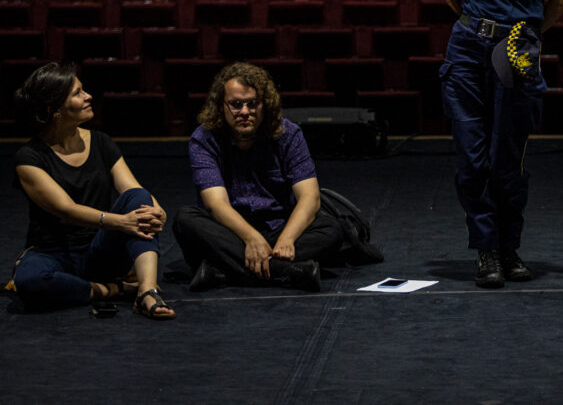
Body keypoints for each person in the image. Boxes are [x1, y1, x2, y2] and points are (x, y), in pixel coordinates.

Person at [440, 0, 563, 288]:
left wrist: (526, 35)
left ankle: (510, 247)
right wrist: (482, 29)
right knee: (471, 158)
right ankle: (487, 250)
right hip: (467, 50)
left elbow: (560, 0)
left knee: (506, 158)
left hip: (514, 54)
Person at [11, 63, 175, 319]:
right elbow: (66, 209)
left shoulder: (101, 142)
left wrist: (157, 209)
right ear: (53, 109)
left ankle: (147, 290)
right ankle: (113, 289)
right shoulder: (29, 158)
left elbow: (132, 188)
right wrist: (121, 221)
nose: (88, 97)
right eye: (77, 93)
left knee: (140, 199)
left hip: (101, 251)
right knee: (30, 281)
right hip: (53, 253)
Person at [172, 62, 343, 292]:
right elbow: (216, 205)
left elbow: (310, 198)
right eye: (235, 104)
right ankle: (285, 272)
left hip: (278, 230)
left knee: (331, 228)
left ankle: (222, 273)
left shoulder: (288, 134)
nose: (244, 112)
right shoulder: (204, 139)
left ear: (265, 105)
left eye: (252, 104)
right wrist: (251, 238)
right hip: (228, 232)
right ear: (221, 106)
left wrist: (288, 238)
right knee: (185, 219)